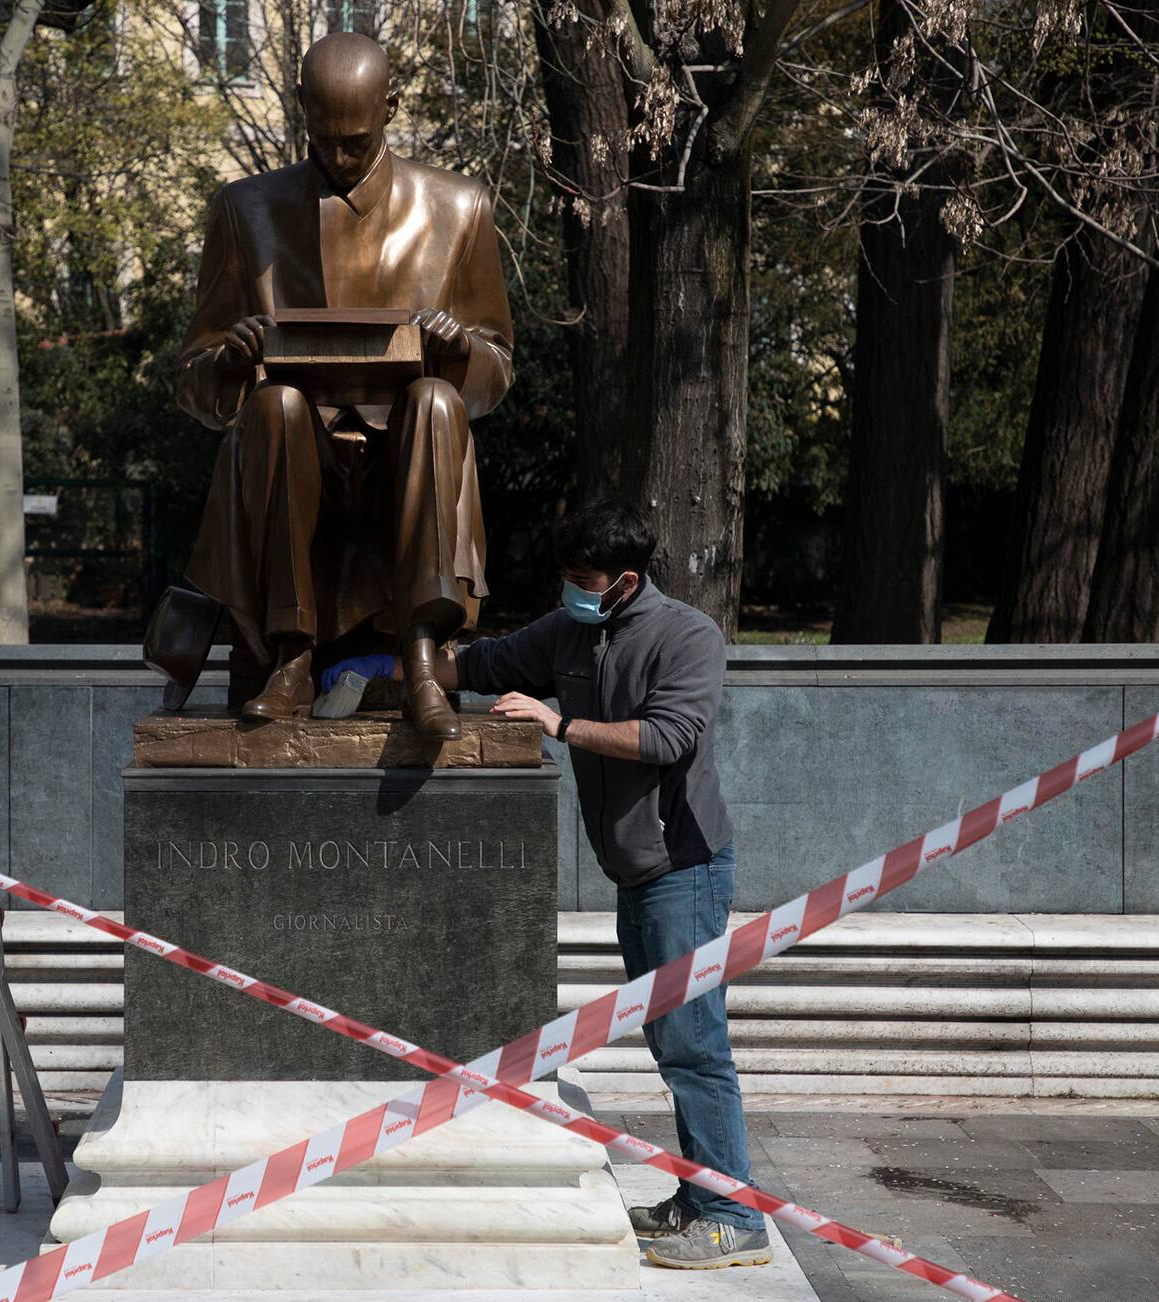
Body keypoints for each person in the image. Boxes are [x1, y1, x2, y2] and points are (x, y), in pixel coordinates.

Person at [323, 495, 769, 1270]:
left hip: (684, 869)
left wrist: (558, 725)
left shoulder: (687, 636)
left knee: (694, 1045)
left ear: (626, 581)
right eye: (565, 575)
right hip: (637, 872)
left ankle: (734, 1215)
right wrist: (391, 665)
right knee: (672, 1039)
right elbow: (485, 663)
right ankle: (698, 1196)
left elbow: (668, 736)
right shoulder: (571, 632)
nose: (571, 590)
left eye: (583, 578)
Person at [174, 32, 515, 739]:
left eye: (356, 140)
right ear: (301, 110)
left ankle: (420, 657)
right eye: (323, 138)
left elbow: (497, 369)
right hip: (296, 472)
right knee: (276, 406)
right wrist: (228, 364)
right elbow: (195, 382)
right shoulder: (246, 212)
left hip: (410, 468)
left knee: (435, 400)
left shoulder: (458, 209)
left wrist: (459, 354)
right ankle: (292, 654)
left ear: (391, 106)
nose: (339, 155)